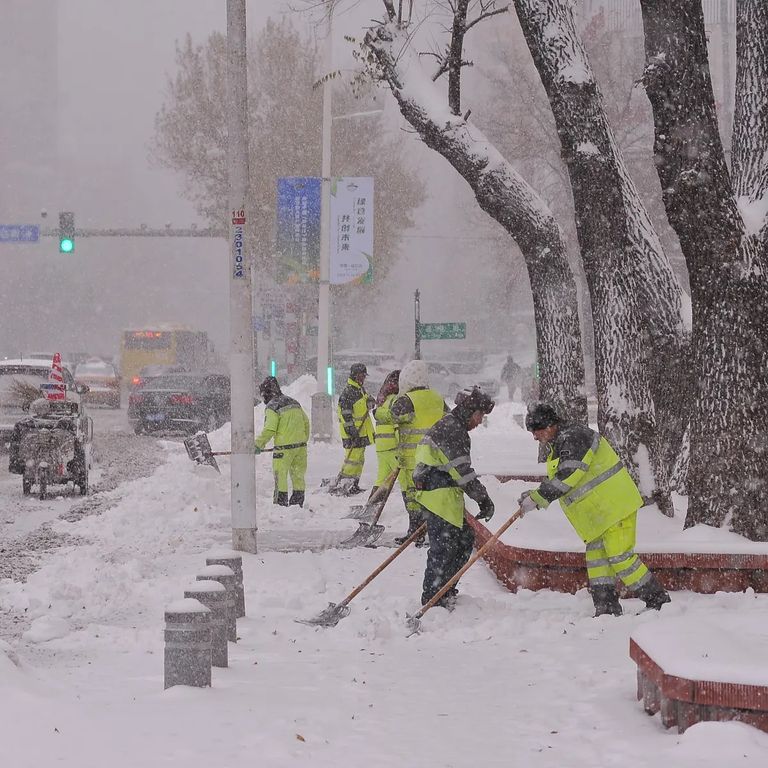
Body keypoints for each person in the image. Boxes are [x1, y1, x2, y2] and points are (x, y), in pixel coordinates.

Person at [519, 403, 671, 616]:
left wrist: (539, 498)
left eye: (536, 431)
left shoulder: (573, 437)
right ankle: (606, 606)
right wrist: (536, 494)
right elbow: (561, 476)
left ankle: (659, 602)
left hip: (615, 507)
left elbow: (568, 476)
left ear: (549, 425)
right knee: (598, 560)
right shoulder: (563, 440)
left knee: (620, 557)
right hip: (600, 514)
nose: (535, 437)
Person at [413, 387, 496, 609]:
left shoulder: (450, 425)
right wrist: (483, 499)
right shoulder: (453, 430)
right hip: (438, 495)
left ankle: (444, 589)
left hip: (439, 494)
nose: (479, 421)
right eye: (480, 415)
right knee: (445, 548)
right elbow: (463, 473)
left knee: (462, 541)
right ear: (470, 410)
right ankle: (433, 598)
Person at [390, 359, 449, 545]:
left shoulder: (406, 401)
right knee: (430, 497)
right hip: (434, 458)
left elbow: (392, 416)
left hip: (411, 460)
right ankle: (431, 533)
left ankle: (414, 531)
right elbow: (449, 419)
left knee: (411, 498)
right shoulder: (438, 398)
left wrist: (383, 406)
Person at [255, 376, 309, 507]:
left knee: (281, 475)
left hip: (284, 449)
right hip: (301, 447)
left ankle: (281, 504)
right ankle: (298, 503)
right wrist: (302, 440)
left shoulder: (272, 407)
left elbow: (270, 429)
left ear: (266, 393)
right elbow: (306, 423)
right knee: (298, 475)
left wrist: (258, 444)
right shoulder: (294, 402)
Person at [333, 362, 375, 496]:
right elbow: (346, 415)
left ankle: (353, 484)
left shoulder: (359, 390)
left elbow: (367, 400)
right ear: (354, 376)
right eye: (361, 376)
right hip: (352, 433)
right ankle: (344, 485)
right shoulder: (349, 392)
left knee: (359, 459)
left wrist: (371, 401)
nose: (363, 379)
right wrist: (351, 431)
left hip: (361, 432)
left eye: (364, 376)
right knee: (352, 460)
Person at [371, 370, 401, 496]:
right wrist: (401, 446)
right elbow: (397, 424)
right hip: (392, 445)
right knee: (406, 476)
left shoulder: (383, 400)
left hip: (381, 445)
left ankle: (373, 502)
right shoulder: (396, 400)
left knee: (382, 477)